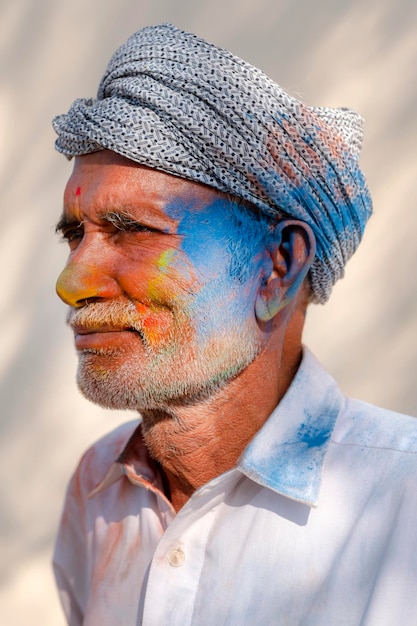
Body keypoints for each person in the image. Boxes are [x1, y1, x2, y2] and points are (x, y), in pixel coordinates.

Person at [52, 23, 417, 626]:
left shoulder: (402, 503)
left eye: (134, 230)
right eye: (75, 234)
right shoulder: (96, 491)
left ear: (277, 266)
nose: (71, 282)